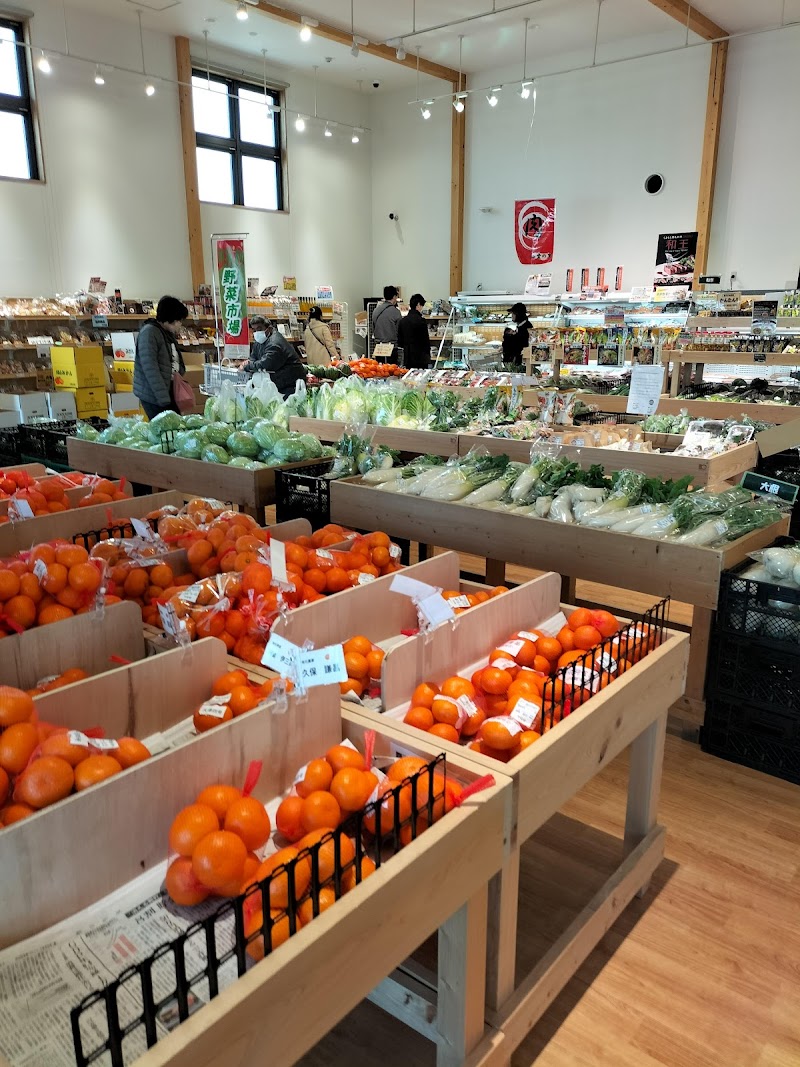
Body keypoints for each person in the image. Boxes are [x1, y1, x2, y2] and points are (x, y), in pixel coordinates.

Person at [133, 295, 187, 420]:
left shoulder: (165, 333)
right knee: (165, 430)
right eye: (178, 320)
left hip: (167, 391)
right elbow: (150, 369)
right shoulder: (149, 333)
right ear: (170, 318)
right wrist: (163, 399)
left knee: (174, 427)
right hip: (154, 396)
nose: (180, 324)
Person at [244, 316, 306, 398]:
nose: (256, 333)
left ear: (269, 328)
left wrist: (247, 366)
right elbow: (253, 356)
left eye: (259, 329)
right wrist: (250, 362)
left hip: (289, 383)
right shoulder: (260, 341)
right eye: (254, 330)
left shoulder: (275, 343)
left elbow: (266, 364)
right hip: (277, 382)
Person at [397, 293, 431, 369]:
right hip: (420, 357)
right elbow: (425, 341)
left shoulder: (403, 321)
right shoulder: (421, 321)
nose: (422, 308)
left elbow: (400, 341)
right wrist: (428, 357)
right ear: (418, 304)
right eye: (422, 305)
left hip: (407, 357)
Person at [502, 302, 532, 368]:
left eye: (513, 313)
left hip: (521, 362)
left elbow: (521, 344)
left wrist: (509, 337)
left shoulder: (526, 327)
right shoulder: (521, 326)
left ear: (519, 314)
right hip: (518, 361)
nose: (512, 315)